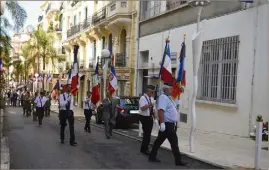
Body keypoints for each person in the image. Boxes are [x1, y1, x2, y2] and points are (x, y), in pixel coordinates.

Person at [148, 83, 187, 166]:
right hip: (167, 124)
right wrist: (162, 123)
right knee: (174, 143)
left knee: (159, 141)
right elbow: (161, 110)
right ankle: (178, 161)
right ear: (165, 89)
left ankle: (152, 156)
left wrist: (177, 102)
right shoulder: (163, 98)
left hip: (170, 124)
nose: (172, 90)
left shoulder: (168, 98)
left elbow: (170, 107)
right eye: (171, 88)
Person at [139, 85, 158, 155]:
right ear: (148, 91)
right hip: (144, 117)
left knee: (148, 133)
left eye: (153, 92)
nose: (152, 94)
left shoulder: (152, 99)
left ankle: (144, 148)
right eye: (151, 92)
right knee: (146, 133)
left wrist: (155, 118)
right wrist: (150, 104)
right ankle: (144, 148)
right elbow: (143, 108)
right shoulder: (142, 98)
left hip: (149, 117)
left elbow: (153, 110)